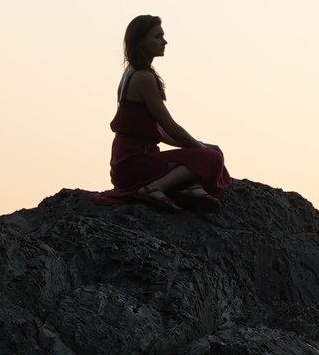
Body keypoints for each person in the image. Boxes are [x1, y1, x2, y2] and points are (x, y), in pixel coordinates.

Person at [90, 15, 231, 211]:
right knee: (213, 158)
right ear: (140, 41)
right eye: (157, 36)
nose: (164, 41)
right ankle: (154, 188)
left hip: (126, 163)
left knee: (210, 153)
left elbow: (158, 132)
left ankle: (193, 187)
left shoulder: (131, 72)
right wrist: (202, 151)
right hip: (135, 163)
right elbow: (171, 127)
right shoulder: (143, 78)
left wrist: (201, 148)